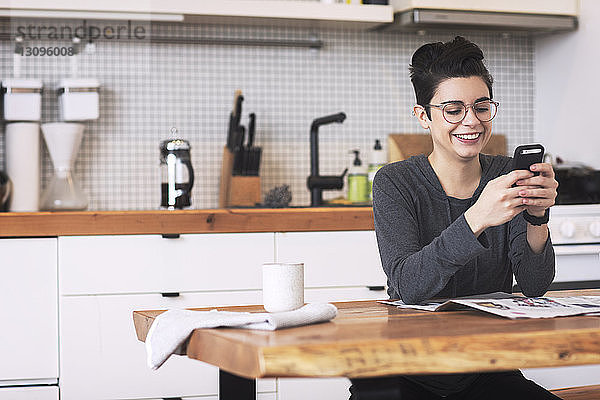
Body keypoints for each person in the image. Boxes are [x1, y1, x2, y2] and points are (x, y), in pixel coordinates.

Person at [351, 36, 559, 400]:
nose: (472, 122)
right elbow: (409, 285)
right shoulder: (395, 182)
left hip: (486, 369)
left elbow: (534, 285)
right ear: (423, 116)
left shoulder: (507, 174)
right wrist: (478, 216)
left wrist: (537, 217)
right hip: (406, 371)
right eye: (453, 110)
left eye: (481, 107)